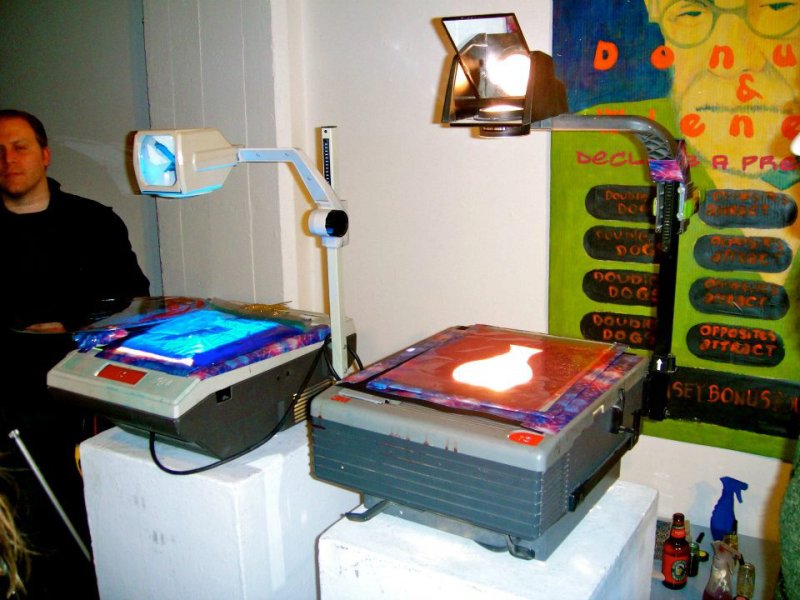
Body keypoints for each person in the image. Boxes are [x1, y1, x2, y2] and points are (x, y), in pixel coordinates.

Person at [0, 109, 151, 597]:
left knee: (90, 518)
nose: (8, 160)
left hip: (82, 393)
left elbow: (132, 300)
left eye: (19, 147)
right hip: (8, 401)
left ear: (44, 154)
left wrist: (68, 324)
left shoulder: (93, 222)